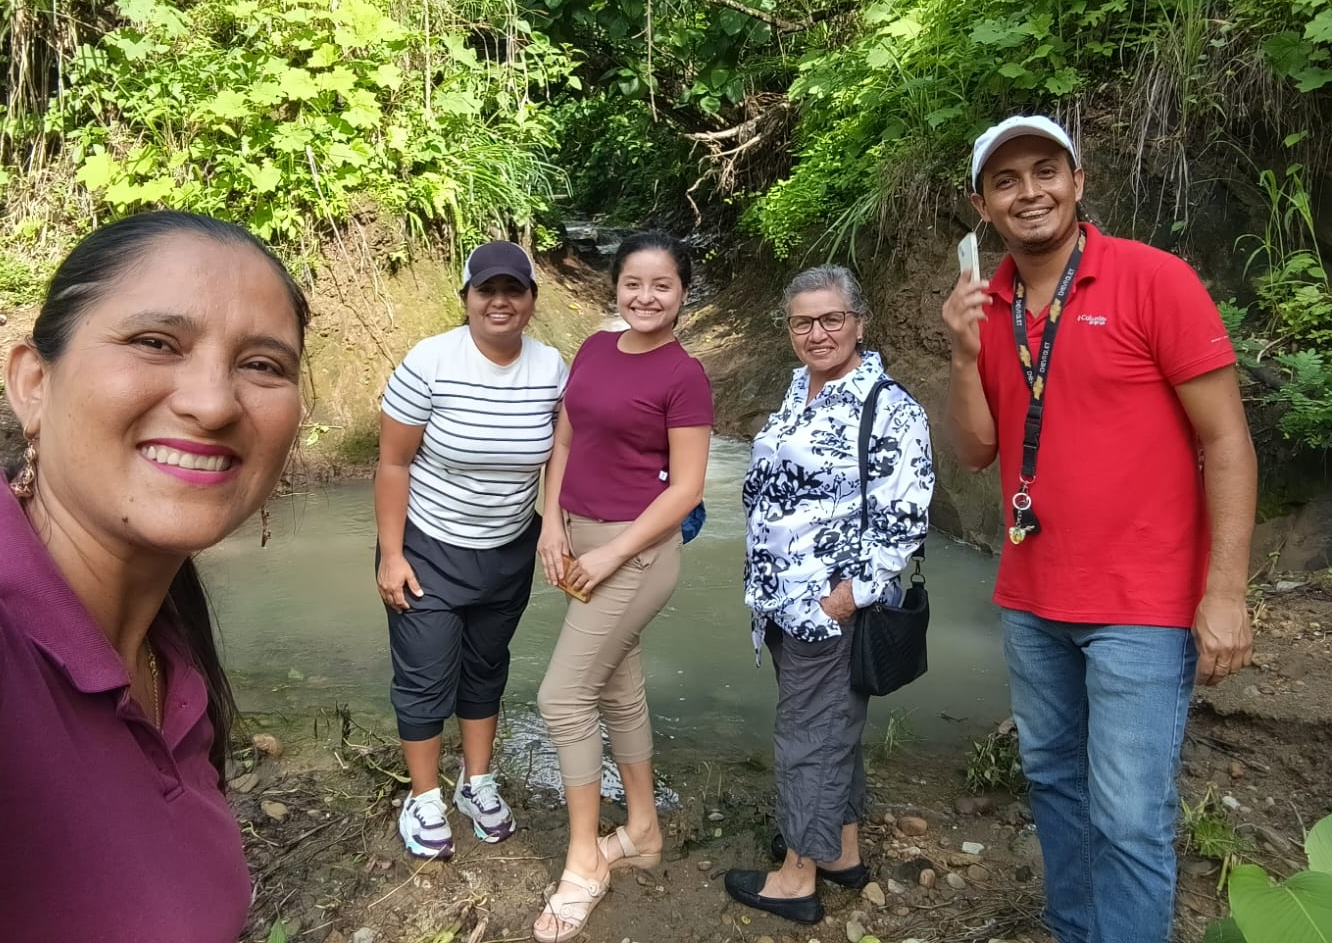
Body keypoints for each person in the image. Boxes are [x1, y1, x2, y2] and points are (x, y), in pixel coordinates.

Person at [0, 211, 309, 940]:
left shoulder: (169, 651)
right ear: (33, 383)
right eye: (156, 343)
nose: (214, 403)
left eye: (263, 365)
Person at [940, 115, 1256, 943]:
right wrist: (963, 354)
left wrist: (1225, 592)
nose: (1029, 192)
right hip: (1032, 596)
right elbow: (975, 451)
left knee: (1129, 813)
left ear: (1078, 183)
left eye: (1046, 171)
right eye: (1006, 181)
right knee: (1053, 782)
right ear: (982, 205)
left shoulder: (1155, 280)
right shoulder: (986, 305)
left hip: (1142, 604)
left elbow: (1227, 439)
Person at [724, 265, 933, 925]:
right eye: (802, 322)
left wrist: (842, 600)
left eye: (831, 319)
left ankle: (797, 877)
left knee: (807, 738)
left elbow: (906, 518)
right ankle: (841, 852)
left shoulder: (890, 408)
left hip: (828, 607)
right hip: (783, 601)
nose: (817, 333)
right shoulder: (800, 389)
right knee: (831, 727)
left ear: (859, 323)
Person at [531, 231, 713, 943]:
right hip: (577, 537)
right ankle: (641, 831)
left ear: (683, 294)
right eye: (633, 282)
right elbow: (565, 441)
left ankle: (585, 862)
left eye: (662, 285)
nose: (645, 296)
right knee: (614, 684)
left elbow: (686, 489)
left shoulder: (684, 375)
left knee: (562, 696)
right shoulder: (594, 349)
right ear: (616, 286)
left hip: (635, 553)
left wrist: (610, 555)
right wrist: (551, 523)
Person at [375, 240, 568, 859]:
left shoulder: (551, 368)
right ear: (467, 298)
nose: (500, 302)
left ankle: (475, 783)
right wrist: (391, 555)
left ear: (532, 299)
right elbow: (393, 463)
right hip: (427, 548)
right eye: (487, 290)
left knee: (486, 669)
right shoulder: (431, 360)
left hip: (508, 548)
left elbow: (564, 455)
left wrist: (557, 525)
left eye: (514, 290)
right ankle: (424, 796)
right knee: (425, 674)